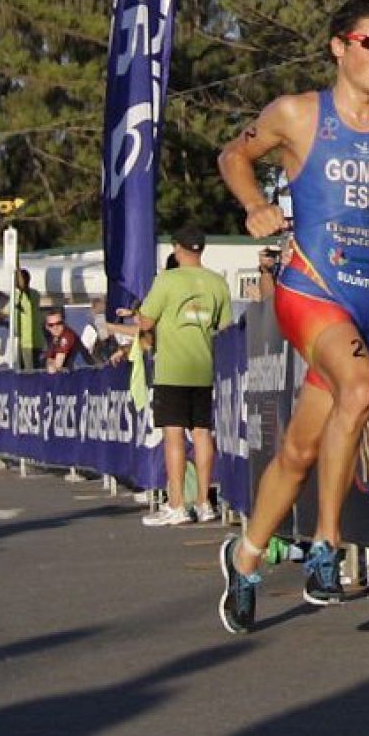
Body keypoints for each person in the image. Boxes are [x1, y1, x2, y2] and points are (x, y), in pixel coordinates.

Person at [214, 0, 369, 633]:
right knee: (361, 387)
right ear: (340, 47)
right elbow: (232, 155)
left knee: (299, 448)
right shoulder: (298, 114)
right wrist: (252, 205)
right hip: (311, 285)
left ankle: (244, 558)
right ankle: (327, 544)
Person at [137, 226, 233, 527]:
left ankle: (177, 504)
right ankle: (205, 502)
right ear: (202, 249)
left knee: (174, 436)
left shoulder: (166, 280)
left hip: (173, 369)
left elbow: (146, 319)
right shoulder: (218, 283)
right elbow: (225, 326)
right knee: (203, 433)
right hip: (203, 367)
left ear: (177, 248)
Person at [80, 296, 130, 367]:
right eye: (100, 313)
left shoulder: (118, 329)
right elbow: (83, 353)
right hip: (100, 370)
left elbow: (127, 347)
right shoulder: (90, 329)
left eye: (103, 313)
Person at [11, 268, 42, 372]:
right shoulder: (31, 294)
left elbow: (5, 312)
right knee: (30, 370)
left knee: (30, 372)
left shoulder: (23, 296)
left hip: (28, 341)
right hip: (32, 340)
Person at [43, 308, 81, 372]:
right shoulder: (54, 338)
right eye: (51, 325)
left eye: (58, 323)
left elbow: (57, 366)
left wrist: (51, 364)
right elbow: (49, 361)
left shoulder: (67, 335)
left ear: (63, 323)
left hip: (84, 373)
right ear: (47, 327)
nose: (55, 327)